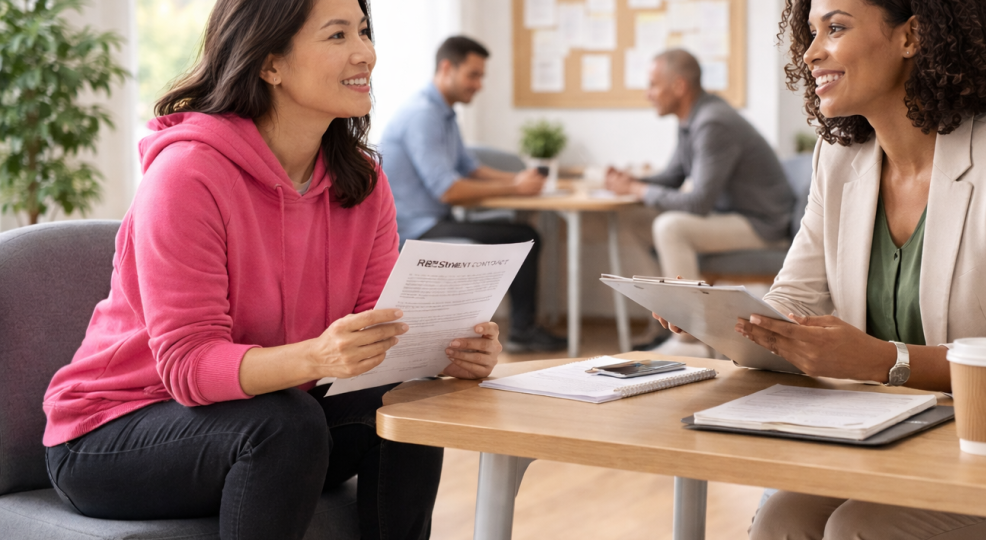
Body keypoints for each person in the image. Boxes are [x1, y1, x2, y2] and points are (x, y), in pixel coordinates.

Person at [41, 1, 503, 539]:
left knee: (402, 402)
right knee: (284, 424)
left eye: (363, 31)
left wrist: (448, 352)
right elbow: (188, 368)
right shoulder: (187, 176)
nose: (366, 54)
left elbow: (379, 337)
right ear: (270, 63)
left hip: (275, 416)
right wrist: (318, 355)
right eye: (336, 36)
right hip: (112, 434)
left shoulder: (364, 182)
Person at [655, 0, 986, 538]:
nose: (812, 52)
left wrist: (888, 361)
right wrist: (716, 314)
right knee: (781, 518)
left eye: (835, 28)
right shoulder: (838, 159)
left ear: (911, 37)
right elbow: (797, 297)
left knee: (859, 528)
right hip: (886, 435)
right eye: (811, 32)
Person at [605, 48, 796, 357]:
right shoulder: (692, 119)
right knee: (637, 219)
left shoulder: (712, 123)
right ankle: (669, 316)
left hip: (762, 223)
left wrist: (639, 190)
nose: (647, 94)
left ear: (679, 86)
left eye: (653, 84)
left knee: (670, 227)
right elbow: (672, 175)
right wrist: (630, 183)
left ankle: (692, 335)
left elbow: (698, 203)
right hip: (732, 216)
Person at [380, 36, 564, 354]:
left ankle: (522, 329)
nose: (478, 85)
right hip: (415, 229)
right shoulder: (423, 115)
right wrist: (514, 188)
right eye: (473, 75)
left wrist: (520, 179)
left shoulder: (444, 114)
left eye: (481, 76)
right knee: (524, 236)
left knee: (519, 231)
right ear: (447, 68)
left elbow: (470, 167)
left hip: (436, 220)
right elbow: (449, 189)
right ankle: (522, 330)